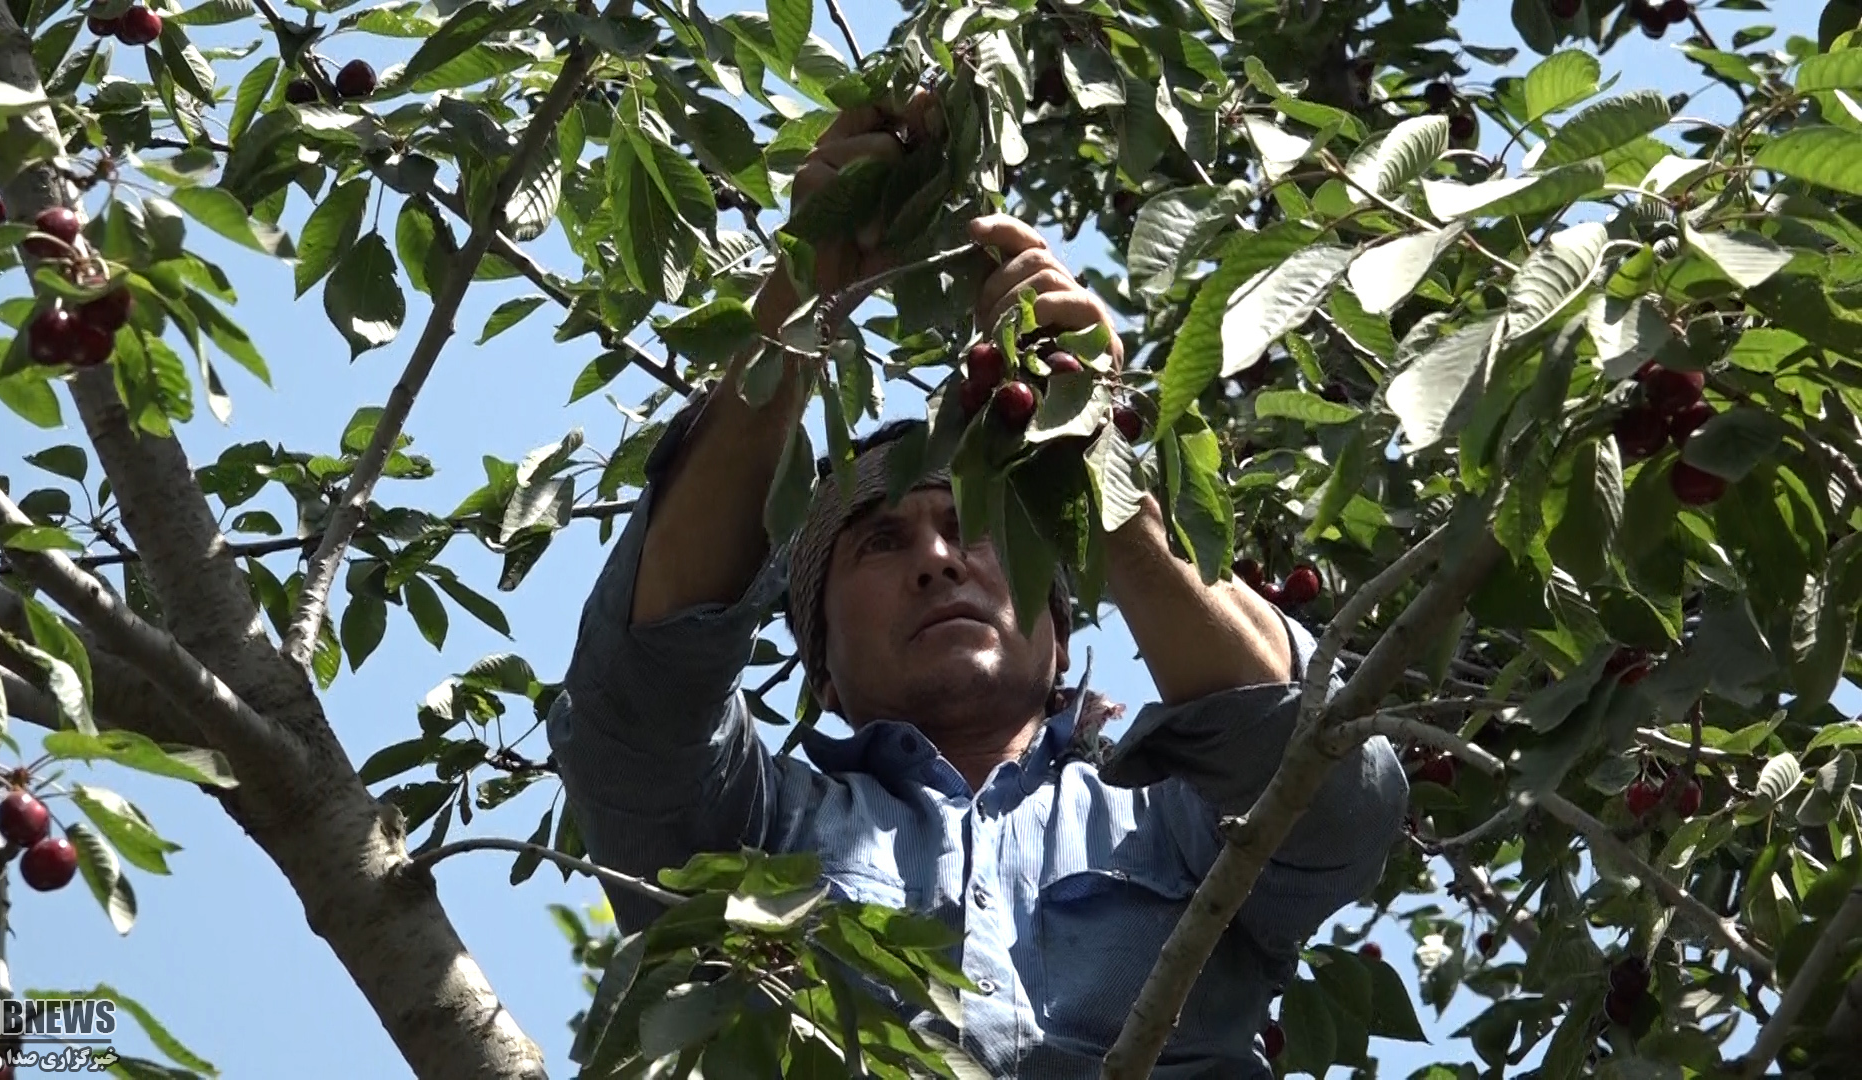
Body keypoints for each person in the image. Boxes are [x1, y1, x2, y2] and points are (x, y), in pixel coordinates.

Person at [548, 92, 1409, 1078]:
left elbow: (1334, 786)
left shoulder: (1174, 822)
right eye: (879, 544)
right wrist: (800, 297)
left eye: (975, 530)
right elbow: (638, 701)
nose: (936, 560)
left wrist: (1094, 458)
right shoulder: (758, 833)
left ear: (1060, 626)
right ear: (822, 672)